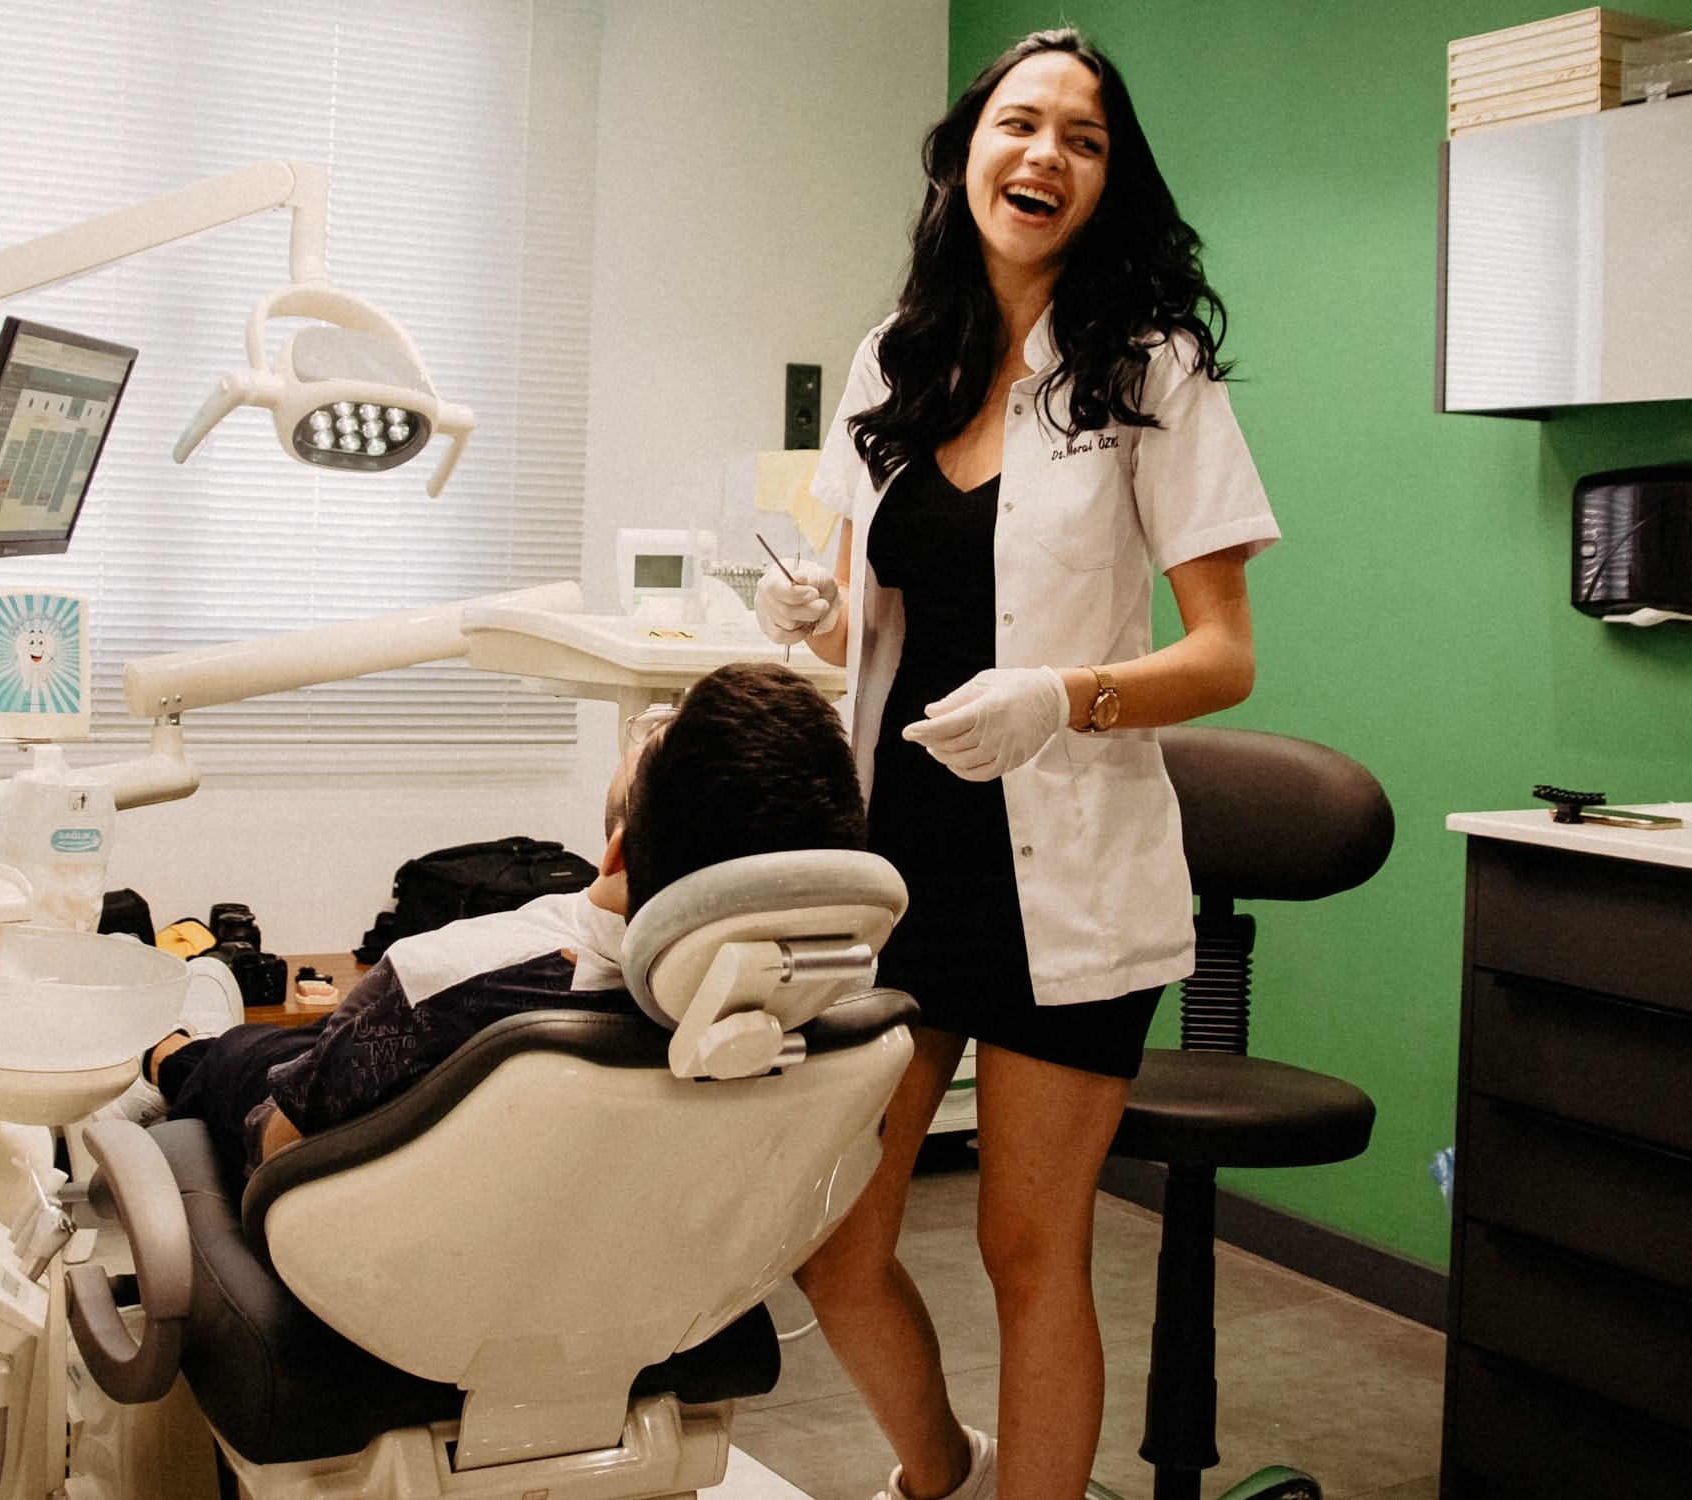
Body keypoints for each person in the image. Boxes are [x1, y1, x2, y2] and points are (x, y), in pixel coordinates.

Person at [755, 28, 1279, 1500]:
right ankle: (943, 1476)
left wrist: (1066, 696)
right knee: (835, 1239)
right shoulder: (897, 357)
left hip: (1070, 885)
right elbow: (859, 583)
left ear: (1109, 183)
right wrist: (812, 606)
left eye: (1085, 139)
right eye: (1020, 124)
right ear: (967, 151)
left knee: (1026, 1249)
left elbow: (1226, 651)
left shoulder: (1150, 368)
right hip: (897, 867)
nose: (1046, 154)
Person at [117, 661, 869, 1184]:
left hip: (387, 1272)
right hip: (624, 1275)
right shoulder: (805, 1011)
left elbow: (278, 1147)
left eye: (649, 738)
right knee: (303, 1042)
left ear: (612, 855)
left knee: (239, 1058)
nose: (643, 733)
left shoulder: (451, 975)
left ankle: (162, 1049)